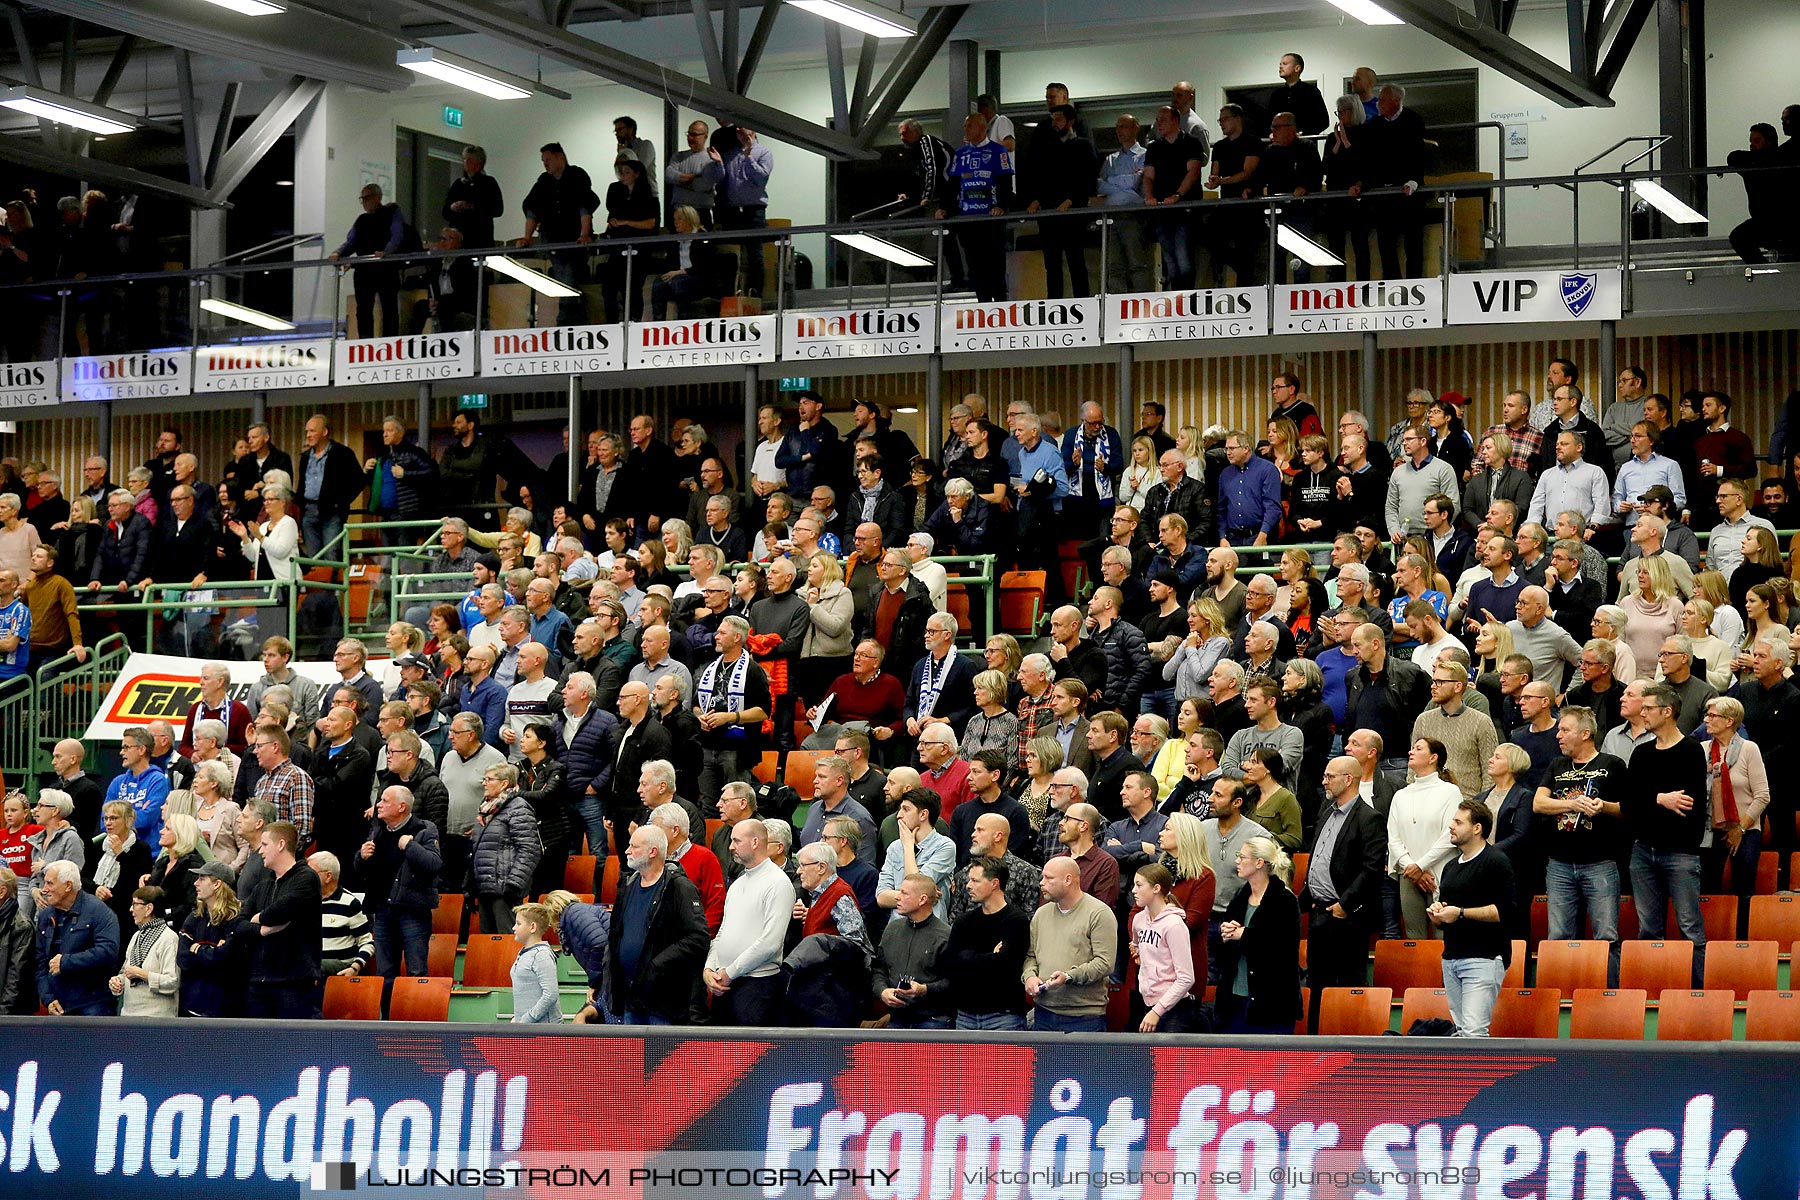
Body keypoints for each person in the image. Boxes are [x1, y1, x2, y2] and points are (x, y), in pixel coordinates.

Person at [1624, 683, 1709, 978]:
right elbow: (1629, 803)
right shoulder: (1641, 753)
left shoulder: (1691, 751)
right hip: (1642, 850)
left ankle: (1697, 990)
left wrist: (1648, 801)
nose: (1642, 713)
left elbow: (1689, 804)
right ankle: (1652, 986)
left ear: (1667, 712)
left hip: (1680, 852)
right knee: (1648, 928)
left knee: (1690, 927)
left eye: (1648, 708)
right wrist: (1660, 798)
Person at [1534, 704, 1626, 945]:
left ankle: (1605, 983)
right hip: (1559, 864)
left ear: (1585, 734)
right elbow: (1538, 803)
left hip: (1600, 863)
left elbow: (1627, 809)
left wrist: (1602, 806)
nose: (1558, 735)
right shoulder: (1557, 765)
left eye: (1565, 730)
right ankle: (1561, 984)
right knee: (1558, 937)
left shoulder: (1612, 764)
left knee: (1606, 936)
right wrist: (1572, 805)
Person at [1427, 799, 1516, 1037]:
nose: (1451, 827)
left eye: (1458, 822)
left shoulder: (1495, 860)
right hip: (1452, 958)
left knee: (1474, 1033)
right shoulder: (1450, 867)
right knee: (1463, 1032)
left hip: (1484, 957)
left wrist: (1461, 912)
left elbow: (1505, 912)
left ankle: (1484, 1075)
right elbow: (1447, 915)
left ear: (1477, 828)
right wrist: (1438, 913)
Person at [606, 824, 709, 1025]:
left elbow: (698, 938)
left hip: (665, 1001)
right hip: (631, 997)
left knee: (660, 1056)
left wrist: (655, 966)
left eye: (633, 846)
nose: (627, 851)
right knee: (635, 1056)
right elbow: (615, 936)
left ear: (653, 851)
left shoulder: (679, 887)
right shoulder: (627, 885)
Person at [703, 819, 791, 1025]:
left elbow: (771, 943)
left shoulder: (778, 883)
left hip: (757, 987)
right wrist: (709, 969)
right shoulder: (737, 884)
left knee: (751, 1056)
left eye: (736, 840)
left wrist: (729, 972)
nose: (731, 846)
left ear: (754, 842)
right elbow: (722, 933)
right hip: (724, 985)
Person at [1214, 835, 1301, 1035]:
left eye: (1242, 856)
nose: (1237, 861)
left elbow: (1282, 949)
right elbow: (1225, 949)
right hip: (1234, 998)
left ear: (1259, 863)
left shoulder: (1284, 901)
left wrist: (1244, 934)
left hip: (1272, 1002)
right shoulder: (1239, 897)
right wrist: (1226, 934)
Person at [1022, 855, 1117, 1033]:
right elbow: (1031, 956)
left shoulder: (1099, 913)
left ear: (1068, 880)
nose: (1041, 883)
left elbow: (1105, 963)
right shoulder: (1041, 914)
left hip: (1084, 1017)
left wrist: (1069, 976)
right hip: (1044, 1013)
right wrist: (1029, 976)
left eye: (1049, 878)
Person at [943, 855, 1033, 1030]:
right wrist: (990, 957)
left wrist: (967, 957)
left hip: (1004, 1017)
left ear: (994, 883)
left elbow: (1005, 966)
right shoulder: (964, 921)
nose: (968, 886)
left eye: (975, 881)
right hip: (965, 1016)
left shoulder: (1017, 921)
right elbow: (949, 964)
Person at [246, 822, 322, 1019]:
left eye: (264, 845)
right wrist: (261, 930)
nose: (260, 851)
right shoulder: (263, 886)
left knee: (292, 1046)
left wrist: (258, 918)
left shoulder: (306, 878)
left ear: (280, 845)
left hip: (293, 982)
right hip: (259, 981)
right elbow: (238, 924)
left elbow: (279, 912)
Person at [1388, 738, 1462, 938]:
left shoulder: (1450, 792)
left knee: (1443, 935)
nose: (1411, 752)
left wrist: (1420, 866)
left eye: (1418, 748)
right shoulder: (1401, 795)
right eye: (1412, 748)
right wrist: (1412, 868)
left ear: (1433, 758)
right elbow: (1393, 838)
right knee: (1413, 936)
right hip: (1408, 874)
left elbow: (1450, 835)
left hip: (1439, 871)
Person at [1699, 697, 1768, 904]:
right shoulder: (1701, 750)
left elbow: (1762, 795)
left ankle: (1741, 933)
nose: (1705, 720)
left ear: (1729, 721)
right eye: (1707, 715)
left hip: (1745, 830)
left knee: (1743, 891)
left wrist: (1739, 829)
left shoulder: (1749, 749)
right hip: (1709, 831)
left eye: (1712, 715)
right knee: (1707, 891)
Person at [521, 142, 599, 326]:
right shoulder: (543, 181)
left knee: (569, 272)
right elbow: (531, 207)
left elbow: (585, 205)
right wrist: (526, 237)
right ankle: (570, 317)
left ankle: (567, 318)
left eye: (548, 159)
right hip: (552, 237)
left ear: (560, 157)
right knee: (564, 273)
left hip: (573, 237)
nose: (545, 164)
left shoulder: (577, 175)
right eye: (543, 161)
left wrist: (584, 233)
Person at [942, 113, 1014, 302]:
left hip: (991, 219)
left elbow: (1006, 182)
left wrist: (1000, 205)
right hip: (968, 219)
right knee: (975, 267)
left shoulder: (998, 151)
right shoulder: (961, 154)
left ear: (981, 128)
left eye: (969, 126)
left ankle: (1000, 305)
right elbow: (953, 185)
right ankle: (983, 305)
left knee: (995, 265)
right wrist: (945, 209)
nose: (965, 129)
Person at [34, 860, 120, 1016]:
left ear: (68, 886)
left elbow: (108, 951)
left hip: (93, 1004)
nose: (44, 890)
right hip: (58, 1005)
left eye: (50, 884)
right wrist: (48, 998)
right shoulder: (45, 916)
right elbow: (40, 963)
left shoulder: (99, 912)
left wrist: (66, 962)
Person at [871, 874, 952, 1029]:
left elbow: (954, 981)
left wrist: (925, 989)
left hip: (932, 1020)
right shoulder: (892, 929)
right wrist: (882, 991)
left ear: (922, 899)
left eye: (904, 893)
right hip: (896, 1019)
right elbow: (879, 969)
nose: (897, 897)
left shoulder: (945, 935)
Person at [328, 183, 406, 338]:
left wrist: (386, 252)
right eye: (362, 199)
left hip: (385, 268)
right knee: (363, 309)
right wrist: (338, 252)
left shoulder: (391, 211)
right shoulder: (362, 220)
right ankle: (365, 343)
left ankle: (390, 342)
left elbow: (397, 235)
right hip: (364, 269)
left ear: (378, 197)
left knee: (389, 307)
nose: (364, 201)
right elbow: (351, 242)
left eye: (367, 198)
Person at [1127, 863, 1198, 1032]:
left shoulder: (1174, 925)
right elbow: (1136, 945)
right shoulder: (1138, 920)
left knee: (1167, 1058)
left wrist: (1157, 1011)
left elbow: (1187, 978)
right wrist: (1137, 951)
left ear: (1156, 888)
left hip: (1173, 1009)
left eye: (1139, 885)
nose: (1133, 891)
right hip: (1147, 1003)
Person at [176, 860, 250, 1018]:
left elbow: (226, 961)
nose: (195, 883)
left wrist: (197, 949)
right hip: (191, 1006)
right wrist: (211, 952)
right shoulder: (194, 917)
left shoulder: (236, 920)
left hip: (224, 1010)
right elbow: (183, 959)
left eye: (202, 878)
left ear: (217, 884)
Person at [508, 902, 562, 1024]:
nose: (513, 928)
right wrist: (517, 1017)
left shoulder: (541, 955)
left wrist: (527, 1019)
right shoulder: (524, 953)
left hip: (545, 1031)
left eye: (518, 923)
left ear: (532, 927)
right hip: (527, 1027)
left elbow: (550, 995)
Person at [442, 143, 503, 248]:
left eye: (469, 160)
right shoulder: (458, 184)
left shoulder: (488, 183)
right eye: (464, 159)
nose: (465, 162)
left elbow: (497, 209)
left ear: (479, 163)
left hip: (480, 238)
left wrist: (471, 206)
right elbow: (445, 212)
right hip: (458, 240)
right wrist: (453, 207)